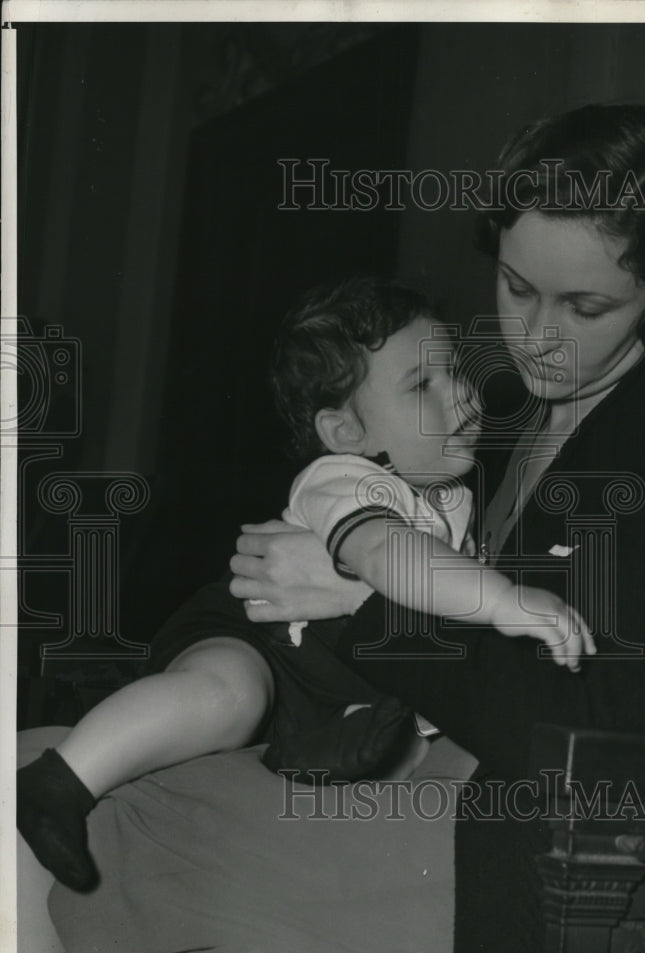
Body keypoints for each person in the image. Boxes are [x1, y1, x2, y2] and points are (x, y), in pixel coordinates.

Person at [17, 103, 645, 953]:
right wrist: (227, 655)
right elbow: (274, 567)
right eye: (516, 288)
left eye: (585, 306)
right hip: (398, 760)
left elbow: (580, 720)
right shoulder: (486, 416)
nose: (539, 340)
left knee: (79, 817)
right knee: (34, 760)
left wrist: (357, 605)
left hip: (539, 837)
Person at [17, 277, 594, 896]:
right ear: (346, 433)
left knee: (387, 764)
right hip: (253, 639)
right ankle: (59, 783)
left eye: (455, 372)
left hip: (323, 689)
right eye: (423, 385)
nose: (463, 397)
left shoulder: (451, 499)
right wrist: (501, 599)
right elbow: (387, 556)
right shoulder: (344, 481)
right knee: (225, 697)